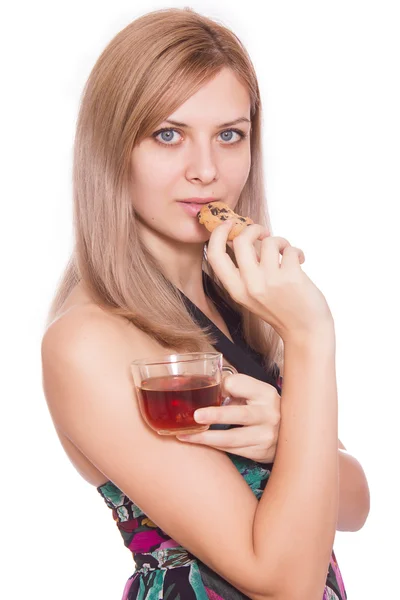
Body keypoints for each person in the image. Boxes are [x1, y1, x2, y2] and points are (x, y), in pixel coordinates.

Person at [41, 7, 370, 600]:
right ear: (113, 150)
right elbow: (283, 581)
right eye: (168, 135)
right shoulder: (89, 338)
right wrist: (313, 336)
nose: (207, 171)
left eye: (229, 135)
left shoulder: (242, 301)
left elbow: (353, 504)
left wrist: (281, 438)